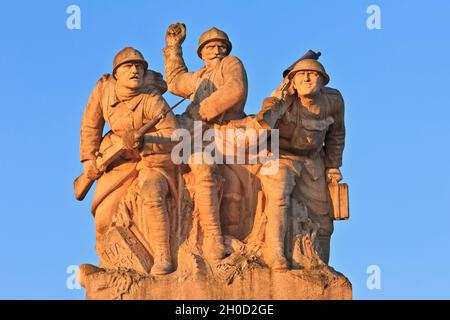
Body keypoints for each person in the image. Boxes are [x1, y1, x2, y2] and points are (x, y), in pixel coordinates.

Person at [80, 47, 178, 275]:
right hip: (115, 158)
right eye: (128, 66)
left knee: (152, 193)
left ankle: (163, 256)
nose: (134, 70)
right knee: (103, 216)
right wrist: (89, 159)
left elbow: (174, 135)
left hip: (151, 159)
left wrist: (146, 140)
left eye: (139, 67)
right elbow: (90, 124)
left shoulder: (152, 100)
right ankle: (108, 263)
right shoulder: (104, 90)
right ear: (116, 74)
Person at [163, 23, 248, 259]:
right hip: (194, 130)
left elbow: (235, 89)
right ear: (201, 52)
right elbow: (175, 82)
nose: (216, 49)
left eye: (221, 45)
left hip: (223, 130)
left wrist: (202, 111)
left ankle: (212, 236)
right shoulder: (199, 76)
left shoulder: (231, 64)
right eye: (210, 47)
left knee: (203, 165)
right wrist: (173, 47)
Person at [257, 58, 345, 269]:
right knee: (279, 194)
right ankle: (275, 254)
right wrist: (276, 102)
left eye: (312, 74)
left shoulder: (333, 101)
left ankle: (320, 264)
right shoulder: (282, 100)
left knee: (323, 217)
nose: (306, 77)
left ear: (323, 81)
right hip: (279, 156)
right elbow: (262, 126)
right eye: (300, 74)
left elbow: (337, 134)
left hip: (313, 159)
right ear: (292, 83)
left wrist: (333, 166)